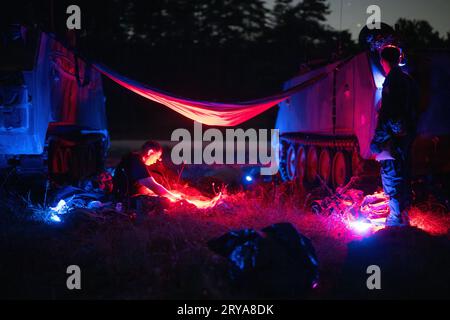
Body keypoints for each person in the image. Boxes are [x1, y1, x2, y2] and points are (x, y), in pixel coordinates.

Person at [370, 46, 419, 227]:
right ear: (398, 59)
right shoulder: (408, 80)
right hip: (407, 136)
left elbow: (389, 116)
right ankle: (404, 216)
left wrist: (376, 141)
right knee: (404, 174)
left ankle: (395, 219)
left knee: (392, 176)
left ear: (384, 61)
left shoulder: (392, 81)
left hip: (394, 139)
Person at [113, 141, 182, 210]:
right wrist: (176, 198)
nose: (156, 161)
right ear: (150, 152)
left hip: (124, 197)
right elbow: (155, 187)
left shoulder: (132, 158)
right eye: (157, 157)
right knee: (166, 201)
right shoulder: (136, 162)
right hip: (126, 201)